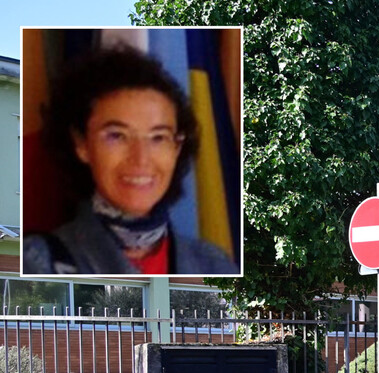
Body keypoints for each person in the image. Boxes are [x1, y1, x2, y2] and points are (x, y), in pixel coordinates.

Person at [23, 45, 237, 275]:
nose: (141, 159)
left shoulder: (216, 266)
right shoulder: (35, 264)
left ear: (177, 147)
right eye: (117, 136)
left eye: (158, 137)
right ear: (82, 144)